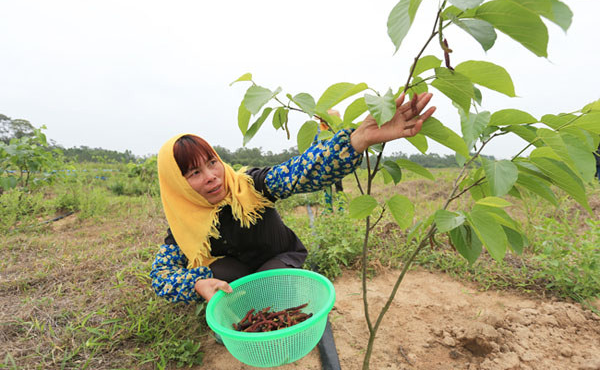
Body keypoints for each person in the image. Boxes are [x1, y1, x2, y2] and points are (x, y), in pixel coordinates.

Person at [149, 92, 435, 303]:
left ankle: (274, 296)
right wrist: (195, 284)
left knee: (276, 290)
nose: (211, 176)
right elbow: (161, 274)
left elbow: (298, 172)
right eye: (194, 172)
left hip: (277, 258)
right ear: (178, 185)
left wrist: (357, 140)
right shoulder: (184, 224)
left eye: (212, 162)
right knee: (213, 272)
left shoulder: (251, 186)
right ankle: (234, 306)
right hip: (239, 270)